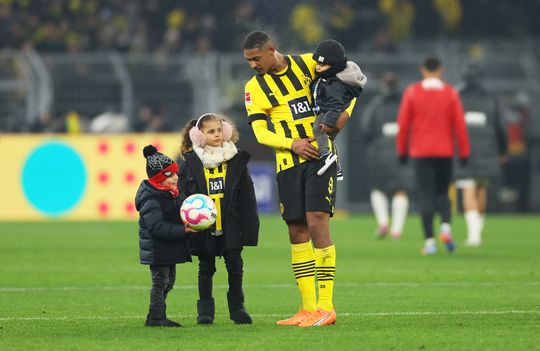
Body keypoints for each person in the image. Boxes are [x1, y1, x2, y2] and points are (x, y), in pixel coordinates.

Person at [243, 31, 356, 327]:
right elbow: (259, 132)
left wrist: (342, 116)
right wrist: (290, 143)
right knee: (296, 229)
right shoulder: (254, 88)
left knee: (317, 219)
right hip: (287, 161)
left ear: (271, 50)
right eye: (248, 61)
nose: (253, 65)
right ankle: (307, 309)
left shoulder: (309, 64)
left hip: (320, 156)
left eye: (256, 58)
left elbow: (351, 80)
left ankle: (326, 307)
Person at [178, 113, 259, 325]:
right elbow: (182, 194)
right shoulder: (191, 162)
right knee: (206, 268)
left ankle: (237, 307)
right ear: (199, 135)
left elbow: (247, 196)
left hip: (231, 226)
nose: (217, 134)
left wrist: (248, 228)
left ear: (227, 131)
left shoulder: (236, 160)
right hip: (203, 229)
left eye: (219, 130)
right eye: (210, 131)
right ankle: (205, 310)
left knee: (235, 267)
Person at [396, 56, 470, 255]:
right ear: (441, 70)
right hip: (445, 152)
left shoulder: (412, 92)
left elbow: (403, 125)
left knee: (426, 195)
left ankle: (429, 242)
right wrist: (464, 151)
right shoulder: (451, 93)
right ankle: (445, 227)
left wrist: (401, 150)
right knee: (443, 193)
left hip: (420, 152)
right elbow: (460, 126)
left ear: (423, 70)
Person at [135, 145, 191, 327]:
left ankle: (156, 316)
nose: (176, 178)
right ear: (160, 178)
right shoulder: (151, 198)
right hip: (158, 248)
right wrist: (183, 230)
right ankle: (157, 318)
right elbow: (157, 227)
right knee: (160, 282)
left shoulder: (170, 194)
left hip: (168, 247)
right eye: (171, 175)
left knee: (169, 281)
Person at [454, 64, 507, 246]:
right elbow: (501, 126)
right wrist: (502, 150)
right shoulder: (491, 98)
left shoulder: (457, 96)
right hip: (488, 150)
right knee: (481, 189)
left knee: (468, 189)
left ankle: (474, 235)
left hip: (464, 149)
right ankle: (478, 230)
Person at [361, 72, 413, 239]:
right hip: (401, 152)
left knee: (377, 188)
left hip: (379, 152)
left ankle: (383, 223)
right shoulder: (405, 103)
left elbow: (365, 128)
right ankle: (397, 230)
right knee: (401, 190)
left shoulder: (376, 104)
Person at [310, 39, 367, 179]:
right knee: (330, 140)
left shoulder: (336, 85)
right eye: (318, 63)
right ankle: (337, 168)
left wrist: (328, 122)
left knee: (318, 128)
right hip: (330, 112)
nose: (318, 67)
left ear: (334, 66)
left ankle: (325, 156)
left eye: (322, 65)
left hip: (330, 114)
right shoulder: (333, 78)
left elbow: (335, 105)